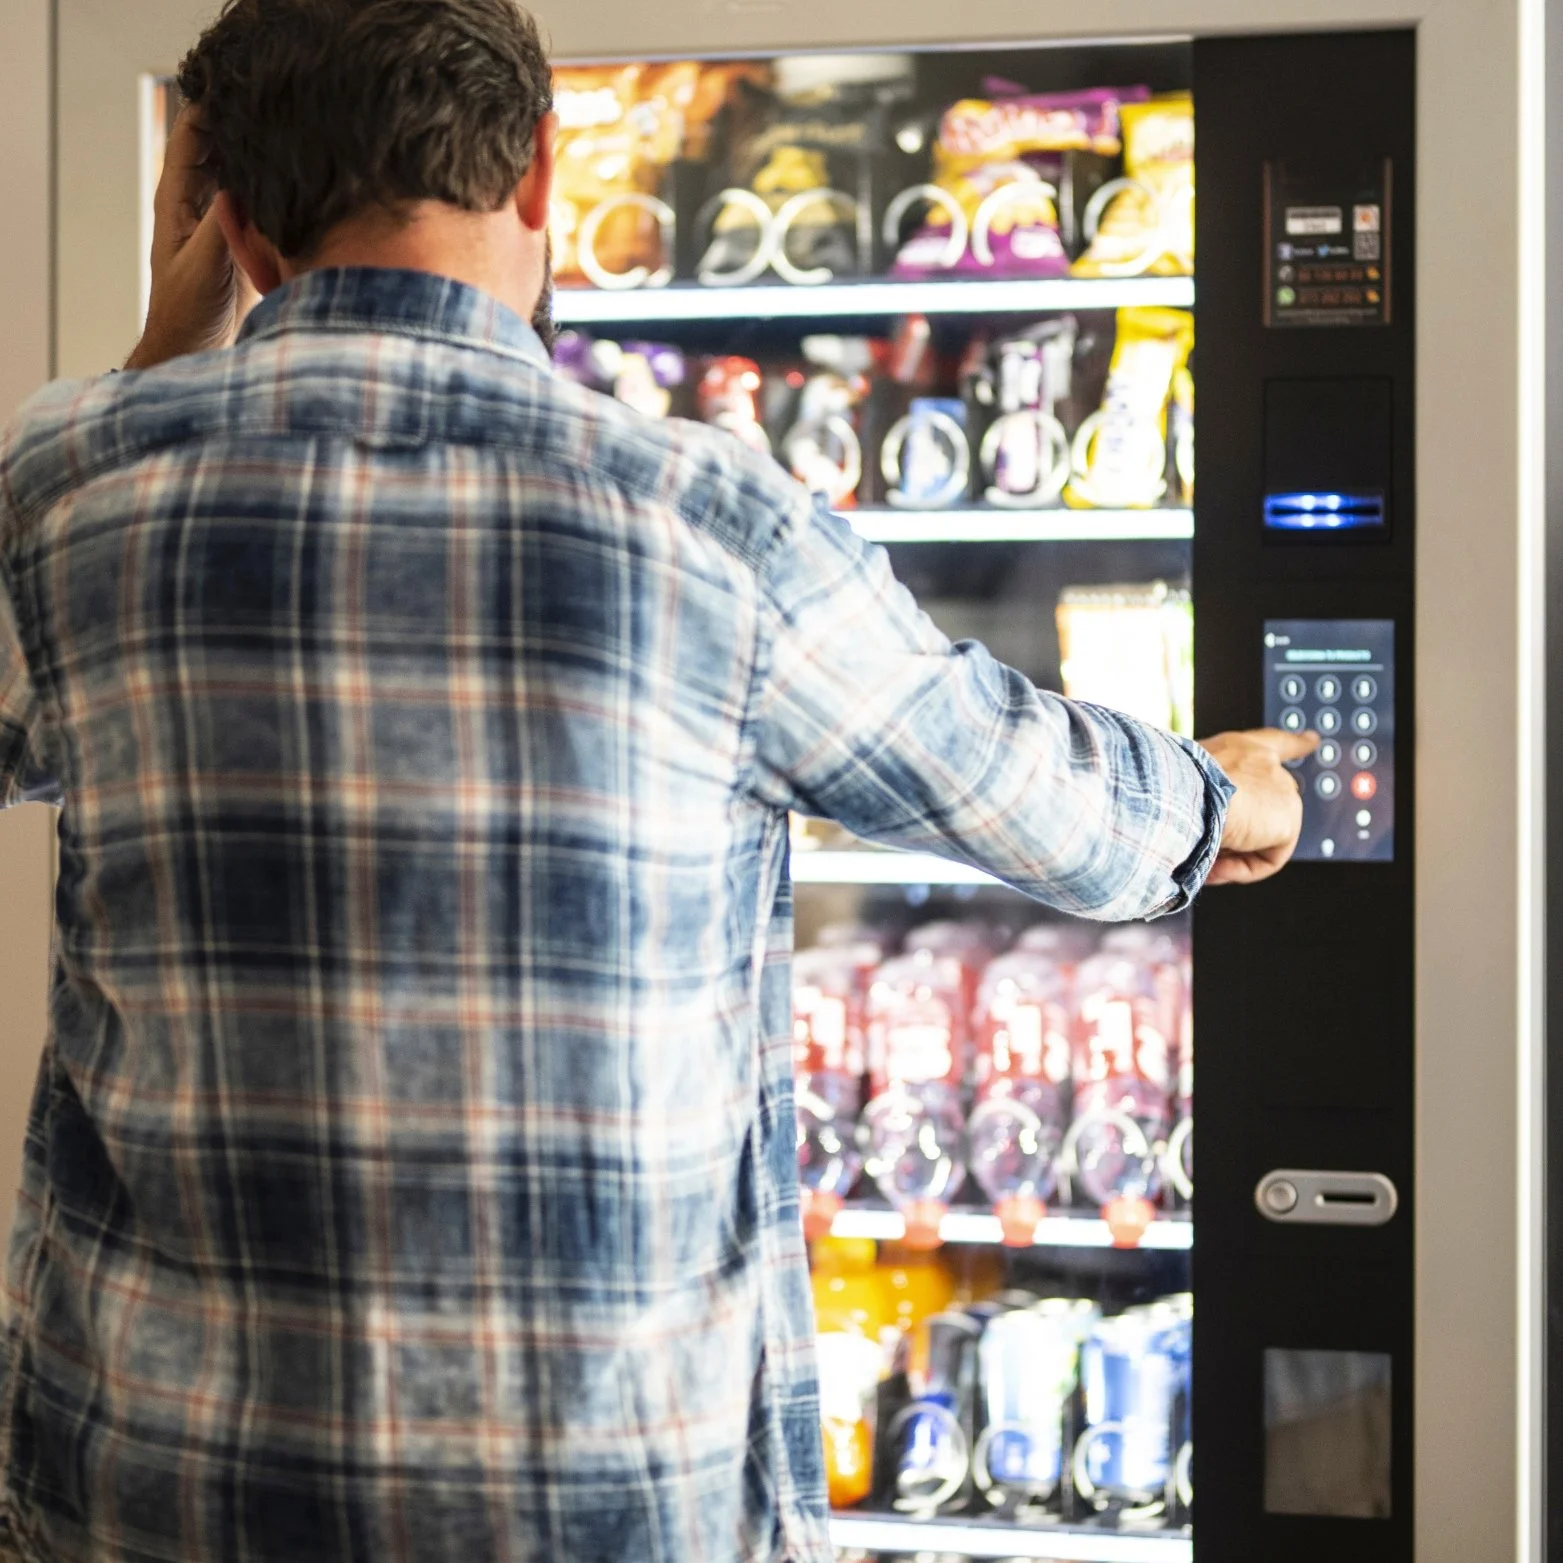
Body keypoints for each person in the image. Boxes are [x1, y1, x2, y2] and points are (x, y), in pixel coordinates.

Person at [0, 3, 1312, 1560]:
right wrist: (1225, 798)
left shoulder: (73, 487)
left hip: (158, 1482)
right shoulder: (710, 521)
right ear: (546, 178)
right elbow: (1045, 805)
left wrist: (159, 359)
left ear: (219, 217)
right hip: (596, 1496)